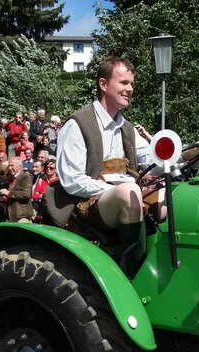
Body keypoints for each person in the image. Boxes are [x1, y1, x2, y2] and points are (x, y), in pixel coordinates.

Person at [52, 56, 155, 275]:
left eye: (132, 84)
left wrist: (186, 154)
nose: (130, 89)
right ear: (103, 84)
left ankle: (158, 267)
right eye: (124, 83)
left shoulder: (126, 127)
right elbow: (72, 181)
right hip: (83, 204)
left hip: (121, 196)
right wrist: (118, 189)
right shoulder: (78, 123)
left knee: (167, 198)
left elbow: (152, 160)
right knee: (130, 193)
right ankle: (132, 275)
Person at [4, 156, 34, 222]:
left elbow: (26, 194)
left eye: (12, 165)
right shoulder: (12, 177)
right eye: (9, 165)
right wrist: (4, 197)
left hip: (22, 216)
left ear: (19, 166)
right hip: (12, 215)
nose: (9, 168)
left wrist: (9, 193)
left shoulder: (25, 177)